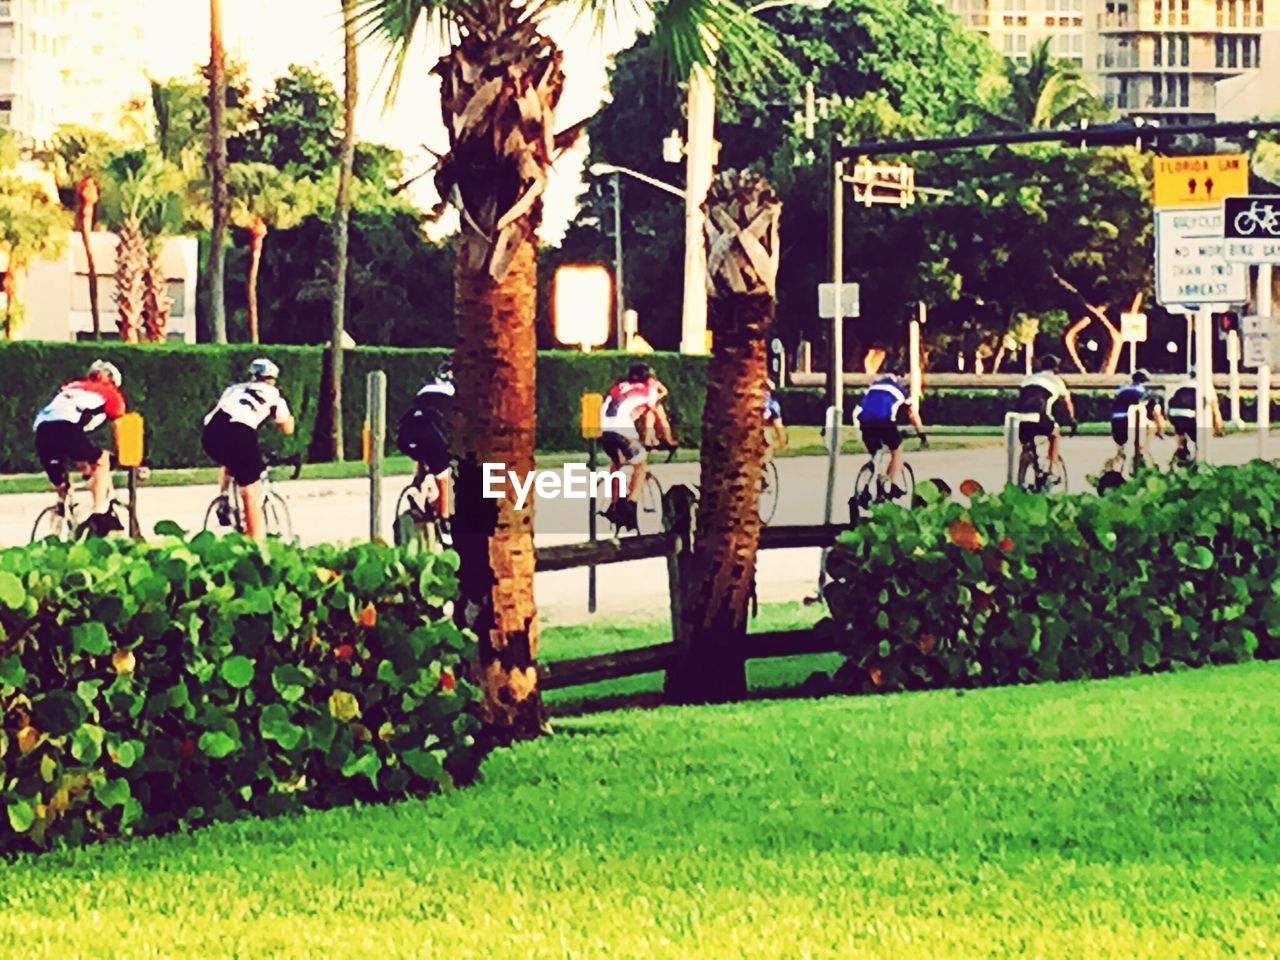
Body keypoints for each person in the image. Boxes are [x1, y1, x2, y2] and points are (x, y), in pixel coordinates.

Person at [201, 358, 296, 540]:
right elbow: (287, 428)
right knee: (251, 495)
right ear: (271, 379)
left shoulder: (233, 389)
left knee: (230, 459)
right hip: (240, 432)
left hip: (211, 432)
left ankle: (224, 500)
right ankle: (255, 545)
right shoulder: (274, 394)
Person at [33, 359, 127, 515]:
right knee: (101, 460)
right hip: (66, 428)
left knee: (61, 479)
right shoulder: (110, 392)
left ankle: (62, 511)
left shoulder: (70, 387)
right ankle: (99, 512)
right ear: (113, 381)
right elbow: (118, 426)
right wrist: (121, 453)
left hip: (42, 430)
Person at [599, 362, 661, 531]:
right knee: (640, 464)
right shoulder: (648, 390)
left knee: (616, 463)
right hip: (623, 429)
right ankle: (630, 505)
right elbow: (655, 411)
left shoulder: (618, 387)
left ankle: (614, 504)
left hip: (603, 430)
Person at [396, 360, 454, 520]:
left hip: (406, 435)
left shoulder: (425, 389)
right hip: (433, 435)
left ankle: (419, 487)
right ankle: (446, 521)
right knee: (445, 474)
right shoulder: (454, 392)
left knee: (426, 458)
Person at [854, 369, 925, 498]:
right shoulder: (901, 390)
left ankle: (871, 482)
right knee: (897, 450)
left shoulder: (873, 386)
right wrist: (921, 434)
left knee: (876, 453)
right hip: (884, 421)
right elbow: (912, 414)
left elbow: (863, 405)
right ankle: (894, 486)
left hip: (864, 421)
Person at [1014, 354, 1076, 468]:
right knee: (1055, 434)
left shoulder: (1028, 378)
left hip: (1021, 419)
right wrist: (1071, 420)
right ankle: (1051, 466)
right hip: (1040, 418)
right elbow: (1067, 402)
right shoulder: (1057, 380)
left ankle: (1022, 472)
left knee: (1027, 443)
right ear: (1056, 368)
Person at [1109, 369, 1166, 467]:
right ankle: (1143, 450)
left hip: (1116, 420)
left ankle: (1114, 469)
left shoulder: (1121, 390)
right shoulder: (1145, 392)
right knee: (1151, 426)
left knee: (1120, 451)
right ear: (1145, 381)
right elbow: (1156, 413)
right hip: (1131, 420)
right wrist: (1161, 432)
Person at [1166, 368, 1224, 461]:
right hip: (1191, 416)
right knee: (1199, 441)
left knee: (1181, 436)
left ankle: (1181, 448)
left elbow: (1169, 404)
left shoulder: (1180, 385)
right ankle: (1198, 461)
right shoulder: (1206, 388)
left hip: (1175, 415)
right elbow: (1215, 410)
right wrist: (1218, 428)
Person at [763, 379, 788, 457]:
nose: (765, 392)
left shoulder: (772, 405)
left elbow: (777, 423)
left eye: (767, 390)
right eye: (764, 390)